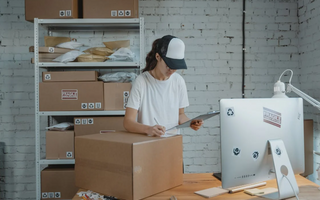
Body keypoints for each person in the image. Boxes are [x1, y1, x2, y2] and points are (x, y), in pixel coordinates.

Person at [124, 35, 203, 136]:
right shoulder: (141, 82)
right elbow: (128, 122)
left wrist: (190, 123)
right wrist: (148, 129)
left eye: (175, 66)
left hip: (172, 142)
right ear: (158, 57)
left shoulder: (178, 81)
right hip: (148, 143)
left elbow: (180, 114)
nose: (172, 70)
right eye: (169, 65)